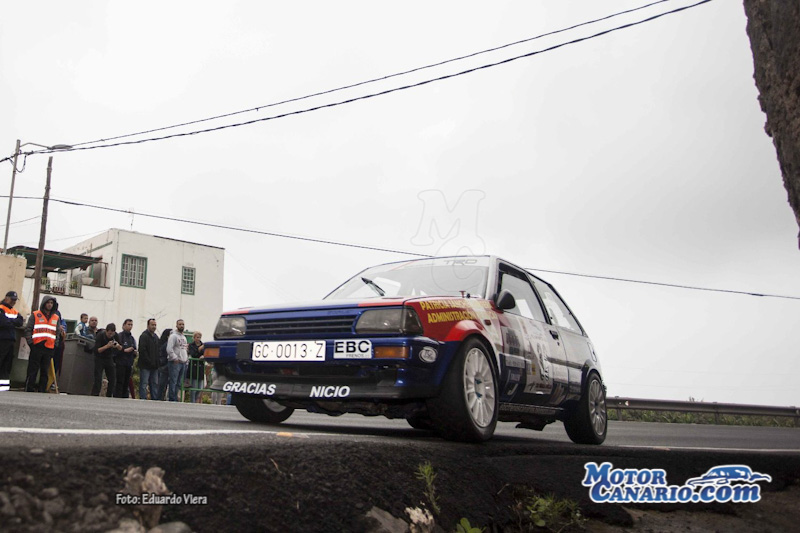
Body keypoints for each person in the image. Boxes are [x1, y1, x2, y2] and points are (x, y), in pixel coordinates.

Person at [23, 296, 62, 393]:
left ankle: (42, 389)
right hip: (37, 346)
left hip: (49, 347)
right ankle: (29, 388)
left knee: (45, 370)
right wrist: (31, 343)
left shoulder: (56, 317)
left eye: (51, 303)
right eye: (48, 302)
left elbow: (57, 333)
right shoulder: (36, 314)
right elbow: (28, 329)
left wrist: (55, 345)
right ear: (44, 303)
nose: (49, 305)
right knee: (33, 369)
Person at [0, 291, 24, 392]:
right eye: (12, 299)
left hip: (10, 340)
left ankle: (3, 386)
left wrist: (10, 322)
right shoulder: (1, 308)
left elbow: (20, 321)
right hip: (2, 339)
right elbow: (2, 322)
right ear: (6, 298)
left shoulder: (14, 311)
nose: (13, 302)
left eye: (15, 300)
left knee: (7, 363)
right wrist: (13, 322)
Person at [91, 323, 120, 397]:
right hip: (99, 357)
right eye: (109, 334)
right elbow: (97, 350)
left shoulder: (115, 336)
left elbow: (121, 348)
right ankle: (95, 394)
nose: (110, 335)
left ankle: (109, 395)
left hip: (109, 357)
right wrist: (107, 346)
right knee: (98, 378)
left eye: (112, 334)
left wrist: (117, 346)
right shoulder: (100, 335)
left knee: (112, 378)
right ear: (106, 331)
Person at [137, 318, 160, 400]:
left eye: (155, 325)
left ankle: (154, 399)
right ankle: (143, 398)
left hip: (155, 366)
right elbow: (142, 350)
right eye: (152, 325)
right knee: (144, 383)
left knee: (154, 384)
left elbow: (158, 350)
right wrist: (149, 361)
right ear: (148, 325)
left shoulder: (156, 337)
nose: (154, 327)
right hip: (145, 365)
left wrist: (157, 362)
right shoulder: (144, 336)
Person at [166, 320, 188, 402]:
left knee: (179, 383)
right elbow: (169, 348)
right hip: (175, 362)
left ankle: (175, 397)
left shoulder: (184, 337)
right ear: (176, 325)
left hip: (183, 362)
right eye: (180, 324)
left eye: (183, 324)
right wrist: (174, 358)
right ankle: (171, 398)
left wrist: (186, 359)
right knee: (173, 381)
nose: (181, 326)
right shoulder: (173, 336)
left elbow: (184, 349)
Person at [115, 319, 137, 398]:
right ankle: (118, 396)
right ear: (124, 325)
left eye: (131, 325)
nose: (130, 326)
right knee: (120, 381)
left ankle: (124, 397)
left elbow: (134, 348)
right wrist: (124, 350)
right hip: (120, 362)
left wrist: (134, 352)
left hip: (129, 363)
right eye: (128, 324)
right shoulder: (119, 336)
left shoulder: (132, 338)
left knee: (126, 382)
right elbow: (116, 349)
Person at [187, 331, 205, 403]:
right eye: (197, 337)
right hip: (194, 367)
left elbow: (206, 353)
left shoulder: (203, 345)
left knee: (200, 387)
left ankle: (196, 399)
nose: (198, 339)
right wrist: (199, 349)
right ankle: (192, 401)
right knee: (194, 387)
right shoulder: (191, 345)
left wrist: (204, 356)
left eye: (199, 337)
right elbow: (193, 354)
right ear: (194, 338)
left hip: (201, 367)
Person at [157, 328, 172, 402]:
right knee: (162, 384)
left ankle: (160, 398)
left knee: (162, 385)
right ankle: (159, 398)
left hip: (164, 366)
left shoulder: (164, 344)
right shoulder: (166, 345)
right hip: (164, 366)